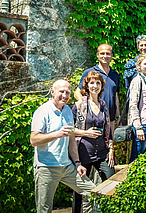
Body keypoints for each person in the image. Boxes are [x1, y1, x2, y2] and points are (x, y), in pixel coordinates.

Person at [30, 80, 94, 213]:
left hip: (66, 166)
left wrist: (77, 162)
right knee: (44, 209)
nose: (64, 95)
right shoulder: (42, 111)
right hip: (46, 167)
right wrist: (56, 134)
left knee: (91, 191)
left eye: (67, 92)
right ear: (52, 92)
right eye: (61, 92)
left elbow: (71, 138)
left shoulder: (68, 111)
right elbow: (34, 140)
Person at [71, 71, 115, 213]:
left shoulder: (103, 105)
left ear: (102, 86)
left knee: (111, 180)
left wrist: (111, 149)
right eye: (92, 83)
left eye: (98, 83)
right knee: (79, 189)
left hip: (102, 152)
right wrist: (86, 133)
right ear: (87, 86)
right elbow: (69, 130)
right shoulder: (79, 105)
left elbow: (108, 128)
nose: (95, 86)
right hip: (84, 152)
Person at [75, 44, 120, 137]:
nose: (105, 56)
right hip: (92, 117)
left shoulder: (115, 75)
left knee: (109, 144)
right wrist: (85, 105)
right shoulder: (90, 72)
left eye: (108, 54)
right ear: (97, 55)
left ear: (112, 55)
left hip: (110, 118)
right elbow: (77, 92)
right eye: (102, 53)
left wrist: (118, 115)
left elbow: (115, 96)